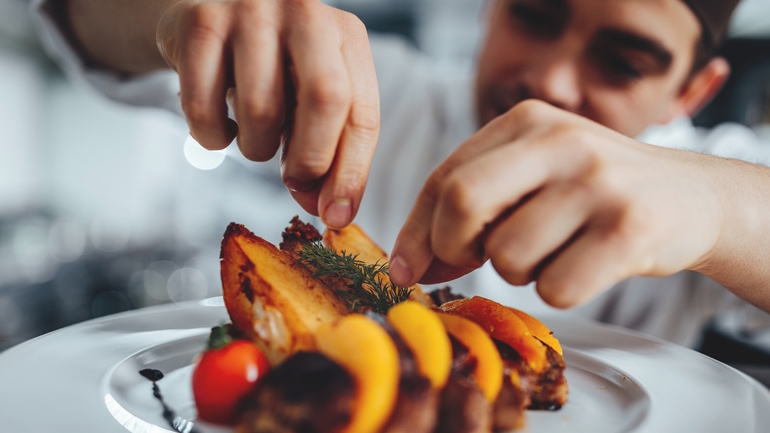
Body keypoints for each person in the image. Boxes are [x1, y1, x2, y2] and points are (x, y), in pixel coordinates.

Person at [31, 0, 770, 347]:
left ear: (691, 92)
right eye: (536, 15)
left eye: (623, 62)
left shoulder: (722, 170)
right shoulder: (384, 93)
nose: (552, 79)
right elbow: (78, 22)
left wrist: (717, 208)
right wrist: (185, 16)